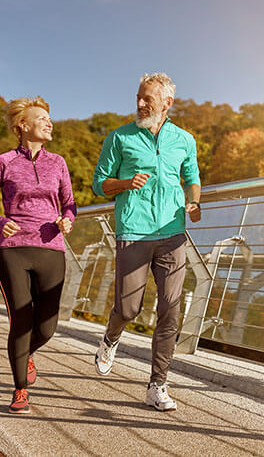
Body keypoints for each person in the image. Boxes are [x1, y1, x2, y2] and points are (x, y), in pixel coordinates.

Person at [92, 73, 201, 411]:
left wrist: (194, 202)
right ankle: (111, 338)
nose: (140, 104)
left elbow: (193, 178)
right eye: (138, 97)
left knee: (170, 309)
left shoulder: (184, 140)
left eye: (148, 99)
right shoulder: (119, 138)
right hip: (133, 230)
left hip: (172, 235)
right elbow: (99, 183)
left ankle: (158, 385)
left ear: (167, 104)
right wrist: (124, 184)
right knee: (128, 308)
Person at [0, 96, 77, 414]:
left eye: (50, 117)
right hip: (14, 251)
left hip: (51, 249)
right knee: (21, 321)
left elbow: (70, 203)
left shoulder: (57, 162)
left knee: (46, 326)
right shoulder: (5, 161)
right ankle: (20, 389)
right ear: (23, 125)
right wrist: (0, 222)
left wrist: (68, 219)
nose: (49, 122)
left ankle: (25, 354)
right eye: (42, 118)